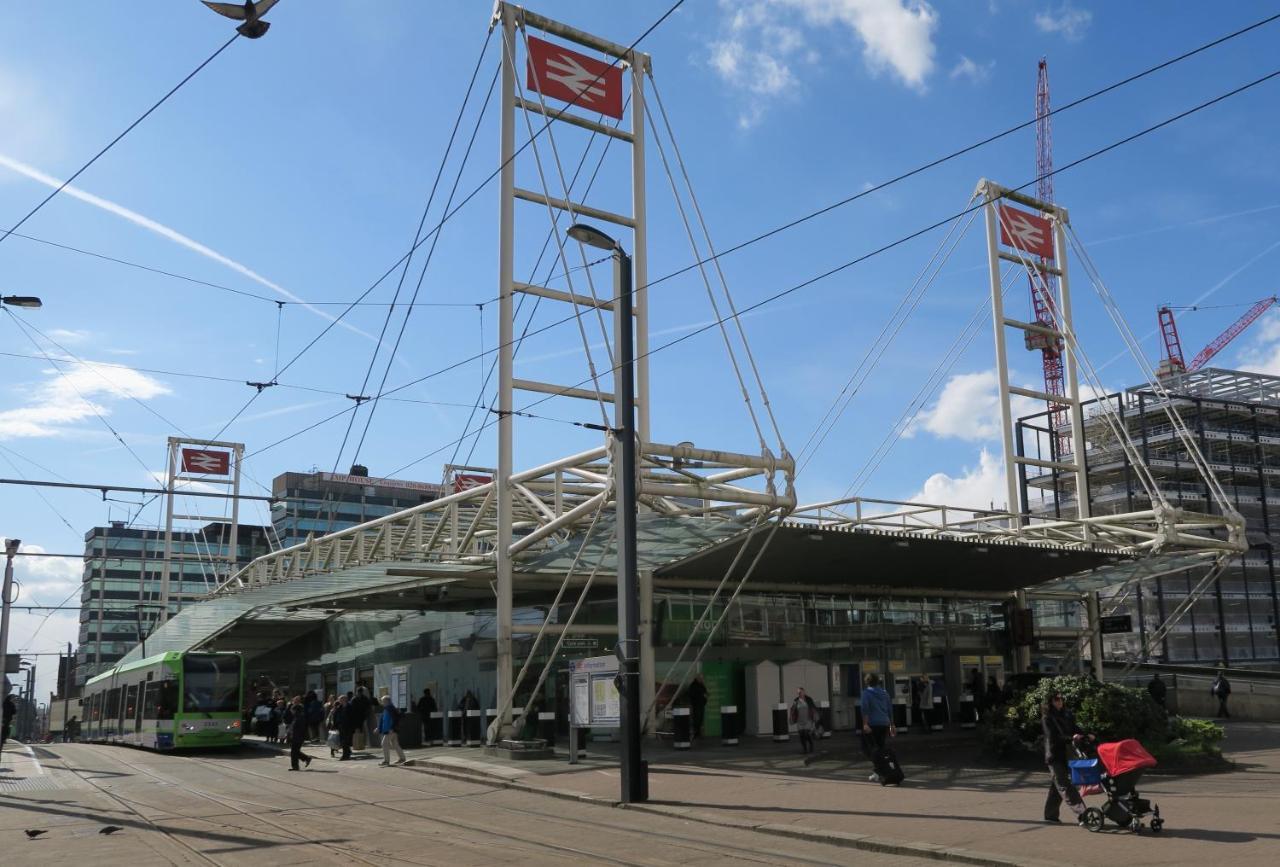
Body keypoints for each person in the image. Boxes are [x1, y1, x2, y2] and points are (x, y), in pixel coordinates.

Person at [1042, 692, 1092, 825]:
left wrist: (1086, 735)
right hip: (1054, 756)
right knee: (1064, 785)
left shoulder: (1066, 714)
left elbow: (1075, 729)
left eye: (1061, 699)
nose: (1059, 702)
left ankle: (1050, 815)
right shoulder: (1047, 718)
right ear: (1050, 702)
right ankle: (1082, 813)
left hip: (1067, 755)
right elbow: (1053, 737)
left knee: (1057, 785)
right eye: (1056, 699)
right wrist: (1072, 738)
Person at [859, 674, 895, 781]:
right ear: (878, 682)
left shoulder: (866, 693)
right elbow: (890, 709)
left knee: (866, 748)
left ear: (867, 682)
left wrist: (865, 724)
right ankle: (878, 771)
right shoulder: (885, 693)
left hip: (872, 724)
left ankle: (880, 768)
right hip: (884, 723)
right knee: (880, 747)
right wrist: (892, 725)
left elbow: (865, 709)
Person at [284, 696, 313, 771]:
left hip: (298, 737)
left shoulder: (300, 718)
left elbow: (299, 729)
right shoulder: (297, 717)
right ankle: (306, 759)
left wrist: (293, 736)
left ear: (296, 710)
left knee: (294, 752)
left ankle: (296, 766)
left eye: (292, 710)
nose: (291, 711)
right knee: (295, 752)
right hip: (296, 737)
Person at [378, 696, 407, 766]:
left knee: (384, 743)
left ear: (387, 701)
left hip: (390, 730)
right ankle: (402, 758)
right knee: (395, 744)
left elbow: (395, 719)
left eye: (383, 701)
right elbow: (383, 719)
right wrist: (379, 728)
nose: (382, 703)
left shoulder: (389, 708)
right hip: (392, 730)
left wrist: (392, 728)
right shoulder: (389, 708)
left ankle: (386, 761)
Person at [789, 687, 819, 755]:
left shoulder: (809, 699)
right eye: (799, 692)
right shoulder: (796, 700)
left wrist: (815, 718)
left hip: (808, 720)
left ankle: (811, 744)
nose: (800, 693)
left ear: (804, 692)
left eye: (801, 692)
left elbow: (813, 708)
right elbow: (793, 709)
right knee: (801, 735)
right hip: (800, 720)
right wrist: (791, 718)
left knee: (806, 733)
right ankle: (805, 749)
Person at [349, 687, 372, 751]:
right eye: (359, 692)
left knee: (360, 731)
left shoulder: (362, 698)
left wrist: (366, 715)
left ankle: (359, 745)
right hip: (356, 717)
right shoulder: (355, 699)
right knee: (357, 731)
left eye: (360, 692)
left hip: (361, 717)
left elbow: (368, 706)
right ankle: (358, 745)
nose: (359, 693)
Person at [687, 675, 709, 740]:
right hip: (696, 705)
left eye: (702, 678)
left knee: (700, 719)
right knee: (696, 718)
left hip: (701, 704)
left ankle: (698, 733)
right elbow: (692, 695)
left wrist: (705, 698)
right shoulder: (693, 686)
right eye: (701, 678)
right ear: (697, 679)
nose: (702, 680)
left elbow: (705, 693)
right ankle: (696, 733)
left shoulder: (701, 685)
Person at [334, 694, 356, 760]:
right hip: (341, 727)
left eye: (340, 699)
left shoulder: (350, 707)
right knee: (343, 742)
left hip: (348, 727)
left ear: (344, 700)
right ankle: (347, 753)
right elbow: (335, 716)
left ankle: (345, 756)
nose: (339, 701)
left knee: (345, 742)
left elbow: (353, 718)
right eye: (339, 699)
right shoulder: (339, 707)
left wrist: (353, 727)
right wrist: (335, 725)